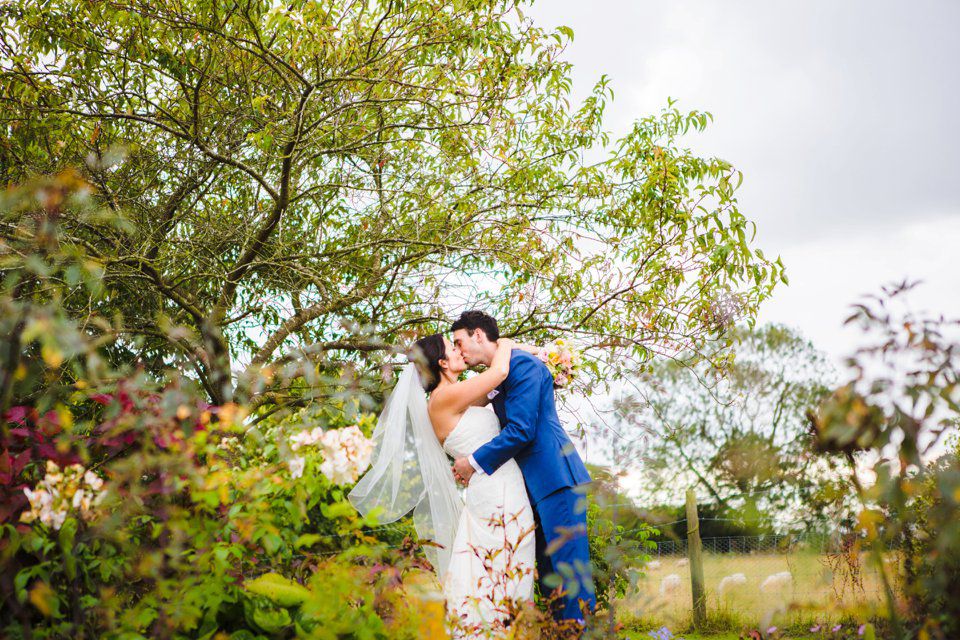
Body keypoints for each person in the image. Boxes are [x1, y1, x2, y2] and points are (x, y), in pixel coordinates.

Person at [450, 310, 595, 624]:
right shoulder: (499, 375)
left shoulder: (523, 365)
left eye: (459, 342)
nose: (458, 350)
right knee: (550, 581)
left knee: (571, 576)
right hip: (535, 490)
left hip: (557, 479)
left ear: (477, 334)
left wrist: (473, 464)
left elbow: (522, 430)